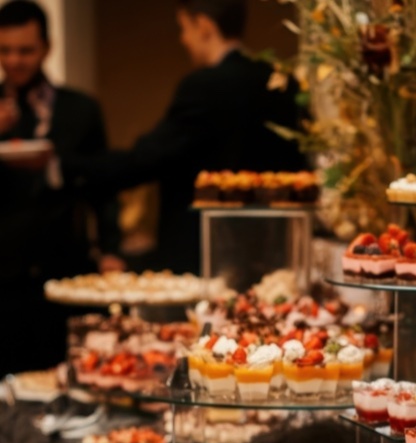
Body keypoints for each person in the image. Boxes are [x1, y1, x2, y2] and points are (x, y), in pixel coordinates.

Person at [62, 0, 311, 274]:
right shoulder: (284, 83)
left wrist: (69, 167)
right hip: (274, 247)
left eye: (184, 28)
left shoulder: (202, 86)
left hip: (204, 251)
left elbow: (150, 157)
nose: (183, 39)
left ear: (204, 26)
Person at [0, 0, 118, 375]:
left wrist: (111, 250)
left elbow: (103, 186)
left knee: (74, 380)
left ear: (46, 48)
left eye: (25, 50)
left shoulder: (79, 110)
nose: (15, 60)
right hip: (4, 278)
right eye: (4, 50)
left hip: (66, 270)